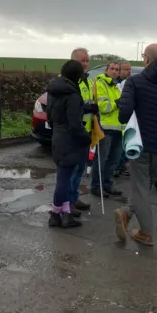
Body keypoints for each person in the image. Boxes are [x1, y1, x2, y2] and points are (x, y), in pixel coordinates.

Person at [114, 44, 157, 246]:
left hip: (139, 145)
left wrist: (125, 106)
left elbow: (123, 115)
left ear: (146, 59)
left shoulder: (134, 82)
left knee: (141, 188)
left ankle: (145, 232)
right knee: (145, 187)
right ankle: (126, 214)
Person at [47, 60, 91, 228]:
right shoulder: (72, 95)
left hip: (58, 138)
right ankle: (57, 214)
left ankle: (62, 215)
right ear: (77, 76)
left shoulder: (54, 90)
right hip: (71, 141)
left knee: (62, 178)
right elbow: (75, 124)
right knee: (64, 180)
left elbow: (51, 117)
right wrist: (86, 137)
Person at [68, 48, 99, 215]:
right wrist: (87, 107)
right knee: (71, 170)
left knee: (80, 169)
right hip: (74, 133)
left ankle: (74, 197)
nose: (86, 64)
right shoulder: (69, 80)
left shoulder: (87, 80)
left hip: (86, 131)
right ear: (74, 61)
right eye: (82, 61)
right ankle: (68, 202)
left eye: (87, 61)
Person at [90, 62, 124, 197]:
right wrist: (118, 102)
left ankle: (107, 184)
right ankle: (96, 186)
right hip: (105, 128)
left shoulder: (115, 86)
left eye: (117, 69)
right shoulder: (101, 84)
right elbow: (104, 107)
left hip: (118, 128)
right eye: (112, 69)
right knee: (101, 159)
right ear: (106, 70)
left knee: (114, 159)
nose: (115, 71)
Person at [113, 61, 132, 178]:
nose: (128, 72)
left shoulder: (130, 82)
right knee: (118, 147)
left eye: (129, 69)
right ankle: (116, 167)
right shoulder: (115, 83)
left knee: (125, 145)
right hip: (115, 120)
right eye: (125, 69)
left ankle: (121, 166)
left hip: (127, 120)